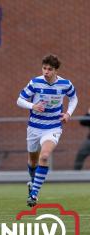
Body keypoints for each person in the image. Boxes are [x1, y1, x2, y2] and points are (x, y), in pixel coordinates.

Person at [17, 54, 78, 207]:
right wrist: (33, 106)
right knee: (32, 161)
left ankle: (34, 195)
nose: (46, 72)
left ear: (56, 70)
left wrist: (68, 114)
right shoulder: (35, 82)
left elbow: (74, 98)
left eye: (49, 69)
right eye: (44, 68)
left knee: (44, 156)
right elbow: (19, 100)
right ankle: (32, 182)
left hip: (53, 127)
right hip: (34, 127)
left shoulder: (65, 84)